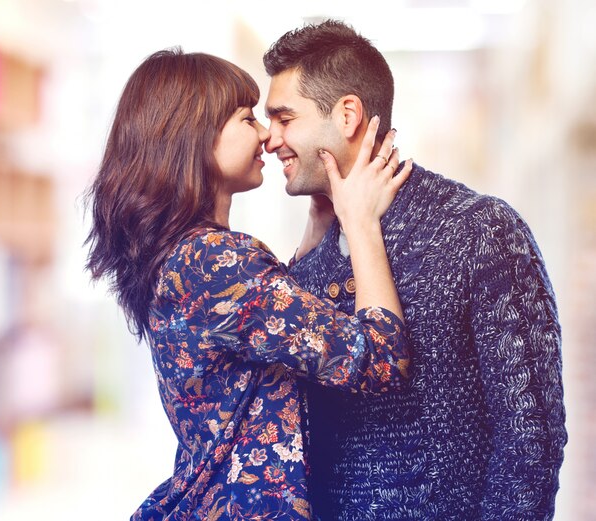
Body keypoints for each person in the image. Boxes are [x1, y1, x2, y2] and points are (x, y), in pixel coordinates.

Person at [84, 48, 414, 520]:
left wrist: (318, 224)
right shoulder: (217, 262)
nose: (265, 134)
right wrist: (360, 223)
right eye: (246, 118)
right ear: (193, 137)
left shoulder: (187, 257)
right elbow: (381, 359)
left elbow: (273, 329)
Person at [263, 19, 567, 521]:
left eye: (284, 118)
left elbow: (530, 440)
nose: (270, 139)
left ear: (347, 115)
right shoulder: (311, 259)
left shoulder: (478, 230)